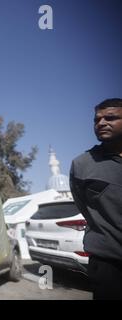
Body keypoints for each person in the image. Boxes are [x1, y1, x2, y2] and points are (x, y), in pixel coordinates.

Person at [70, 98, 122, 300]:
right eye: (97, 119)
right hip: (107, 262)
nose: (101, 123)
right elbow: (83, 204)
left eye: (110, 118)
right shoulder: (83, 164)